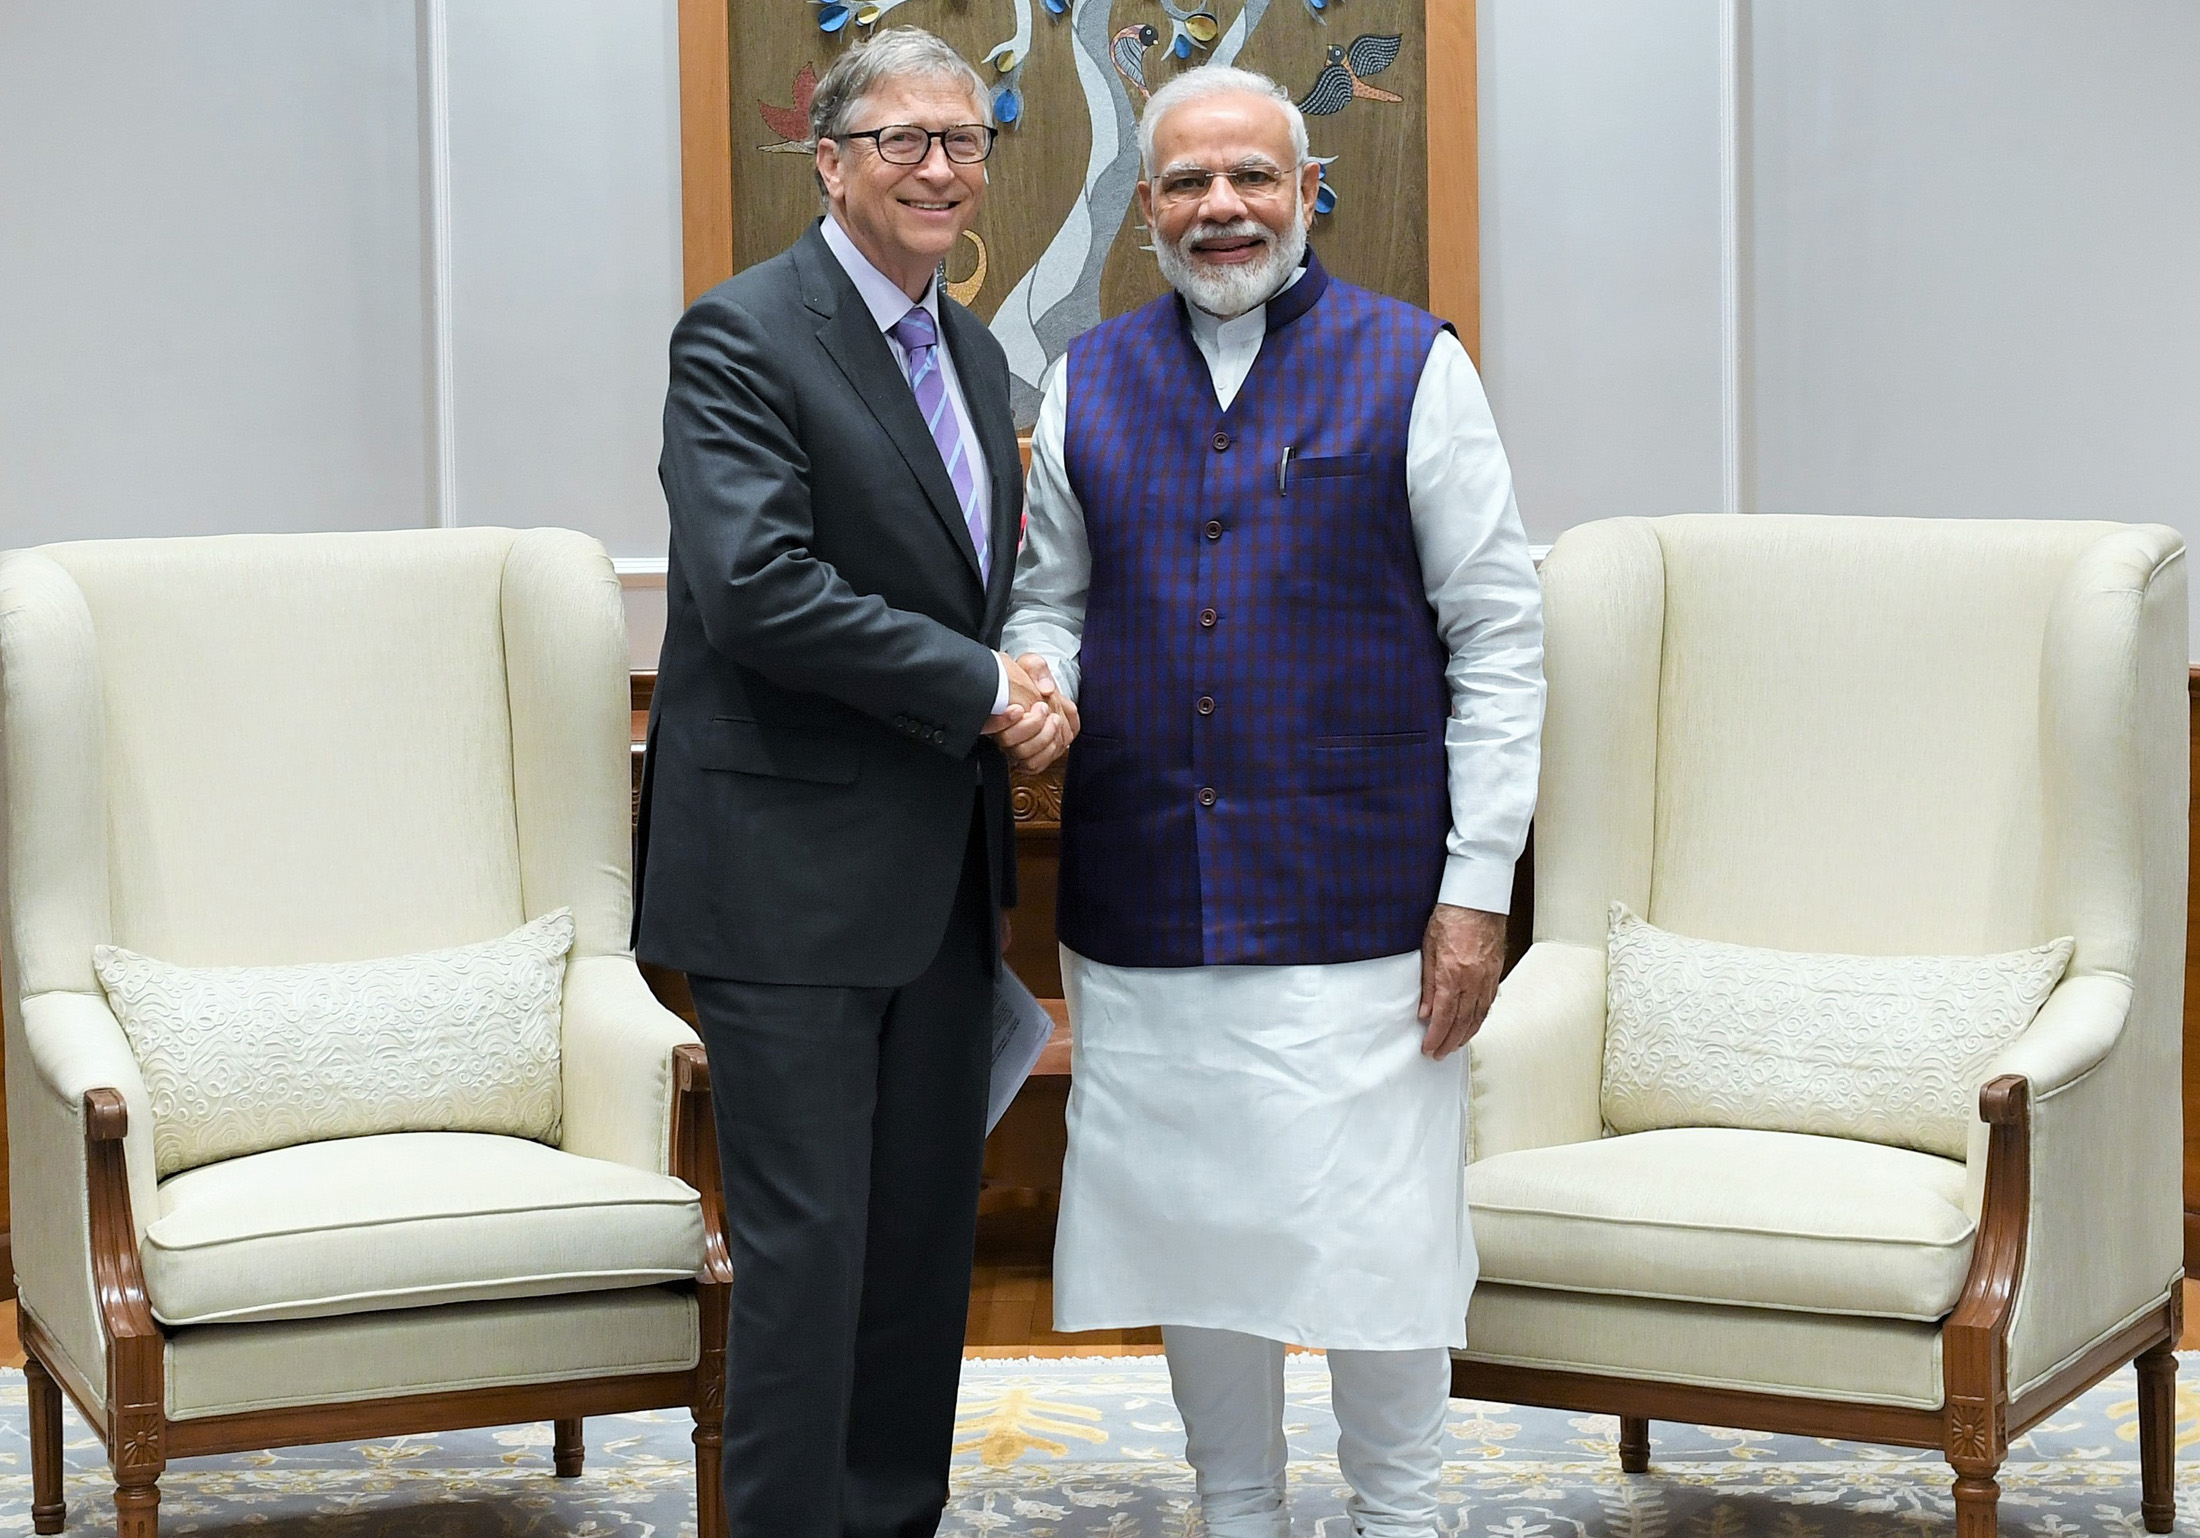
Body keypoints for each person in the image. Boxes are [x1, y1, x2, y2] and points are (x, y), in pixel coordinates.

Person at [1004, 65, 1544, 1538]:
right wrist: (1038, 676)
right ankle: (1234, 1507)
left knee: (1381, 1247)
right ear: (1149, 211)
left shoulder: (1412, 363)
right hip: (1147, 901)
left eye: (1252, 177)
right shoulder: (1089, 376)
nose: (1220, 208)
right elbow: (1052, 598)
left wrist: (1478, 886)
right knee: (1196, 1240)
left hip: (1365, 901)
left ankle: (1401, 1514)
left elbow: (1498, 632)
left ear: (1309, 190)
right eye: (1185, 182)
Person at [634, 28, 1073, 1538]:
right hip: (789, 889)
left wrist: (1022, 667)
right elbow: (754, 588)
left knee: (912, 1266)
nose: (941, 168)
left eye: (965, 140)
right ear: (829, 160)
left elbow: (970, 588)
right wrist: (978, 687)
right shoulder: (743, 336)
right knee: (809, 1268)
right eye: (904, 141)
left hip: (943, 884)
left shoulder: (972, 349)